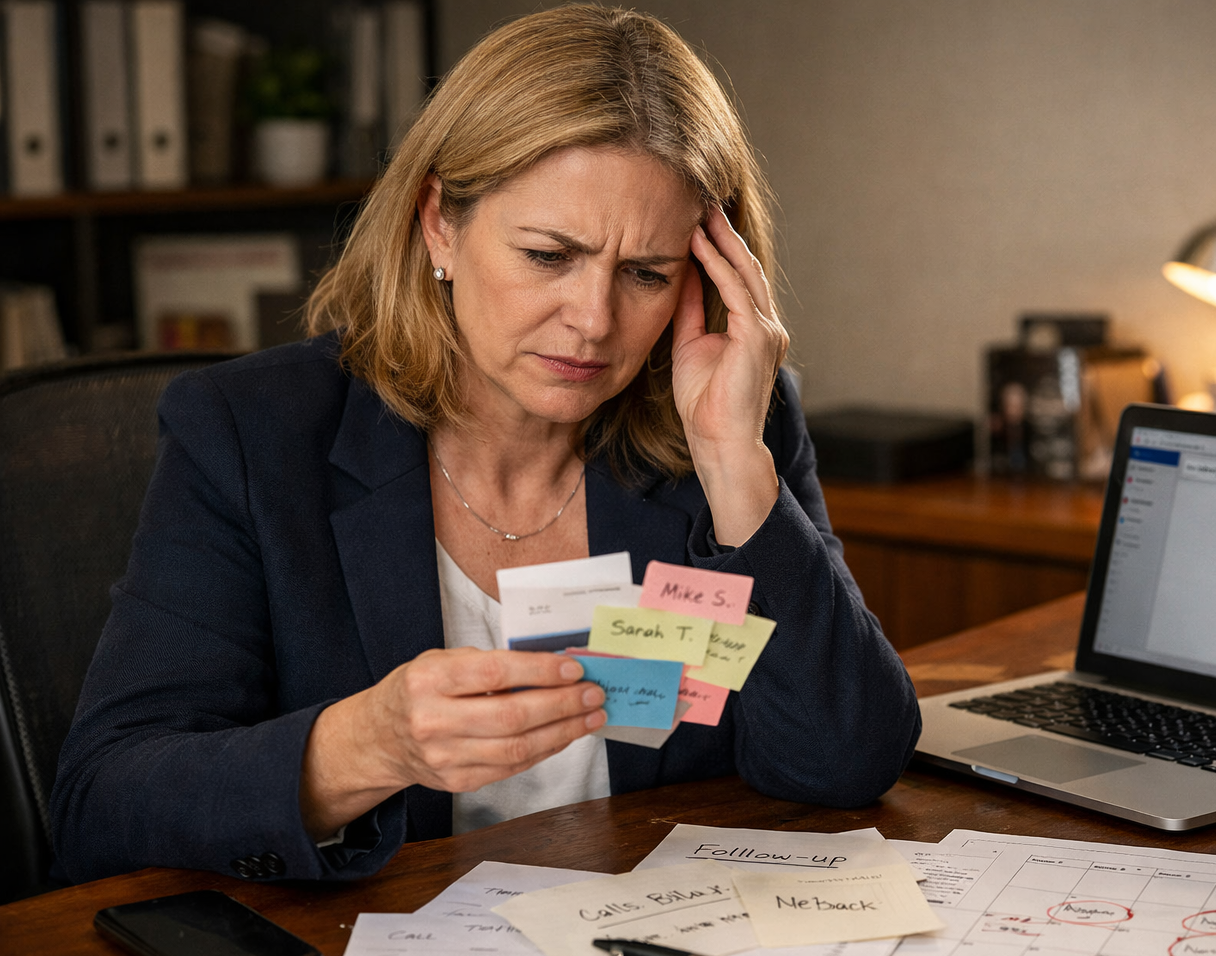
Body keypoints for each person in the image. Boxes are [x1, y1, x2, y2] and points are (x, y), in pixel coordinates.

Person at [50, 5, 920, 884]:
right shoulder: (248, 432)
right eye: (548, 255)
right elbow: (102, 805)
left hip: (646, 935)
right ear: (440, 223)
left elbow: (845, 762)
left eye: (646, 274)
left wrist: (735, 465)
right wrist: (365, 746)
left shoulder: (730, 427)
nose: (593, 320)